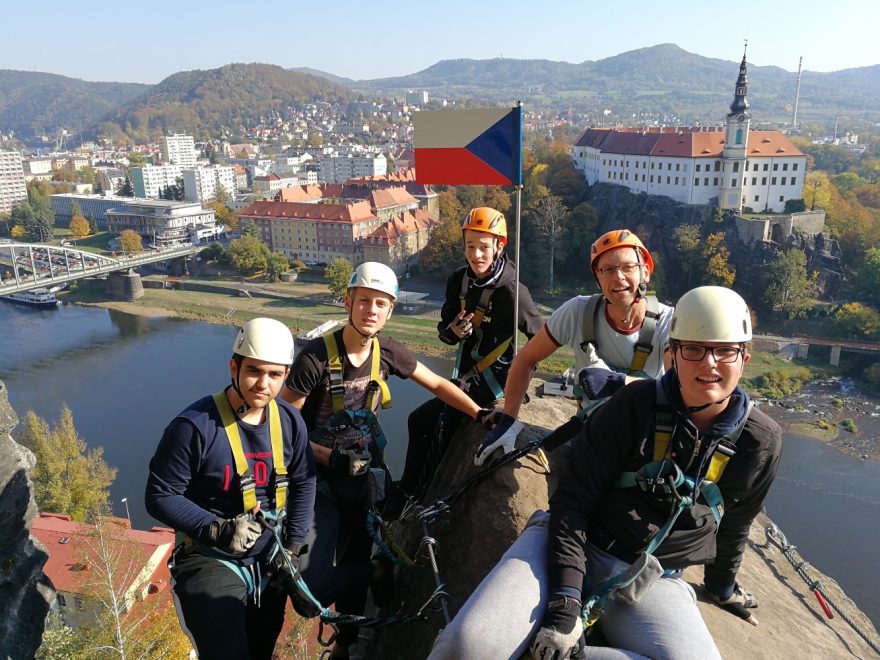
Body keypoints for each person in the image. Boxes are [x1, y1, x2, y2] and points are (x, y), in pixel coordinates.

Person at [429, 286, 783, 660]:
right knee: (467, 647)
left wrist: (722, 588)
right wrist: (565, 601)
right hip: (570, 544)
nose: (709, 364)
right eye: (694, 349)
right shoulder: (632, 405)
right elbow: (572, 501)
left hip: (651, 579)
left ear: (744, 358)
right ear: (672, 353)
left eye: (725, 351)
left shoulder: (759, 441)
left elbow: (735, 523)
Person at [281, 261, 490, 659]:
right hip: (317, 480)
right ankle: (372, 573)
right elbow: (282, 428)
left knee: (356, 554)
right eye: (364, 301)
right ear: (348, 302)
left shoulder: (387, 351)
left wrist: (479, 414)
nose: (371, 310)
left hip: (361, 478)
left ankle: (345, 644)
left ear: (390, 310)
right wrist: (329, 457)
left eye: (380, 304)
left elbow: (438, 383)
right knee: (309, 584)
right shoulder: (315, 358)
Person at [145, 317, 317, 660]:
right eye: (254, 371)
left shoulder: (289, 421)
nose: (263, 384)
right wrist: (216, 529)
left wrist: (293, 548)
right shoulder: (195, 427)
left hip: (269, 557)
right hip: (211, 557)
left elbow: (304, 481)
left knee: (260, 648)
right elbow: (159, 495)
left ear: (286, 375)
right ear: (233, 368)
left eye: (274, 374)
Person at [475, 228, 673, 466]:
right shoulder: (578, 312)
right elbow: (525, 360)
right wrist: (508, 420)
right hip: (594, 437)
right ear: (598, 278)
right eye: (608, 270)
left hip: (645, 441)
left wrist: (620, 382)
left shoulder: (668, 323)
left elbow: (679, 390)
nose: (618, 277)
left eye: (628, 267)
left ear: (646, 272)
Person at [398, 207, 543, 505]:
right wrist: (453, 331)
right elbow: (444, 332)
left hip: (495, 381)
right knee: (420, 421)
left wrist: (518, 385)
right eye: (470, 246)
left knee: (431, 423)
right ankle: (411, 489)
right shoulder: (459, 282)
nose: (476, 254)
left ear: (499, 247)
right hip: (464, 376)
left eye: (484, 247)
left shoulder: (512, 292)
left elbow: (540, 339)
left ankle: (413, 494)